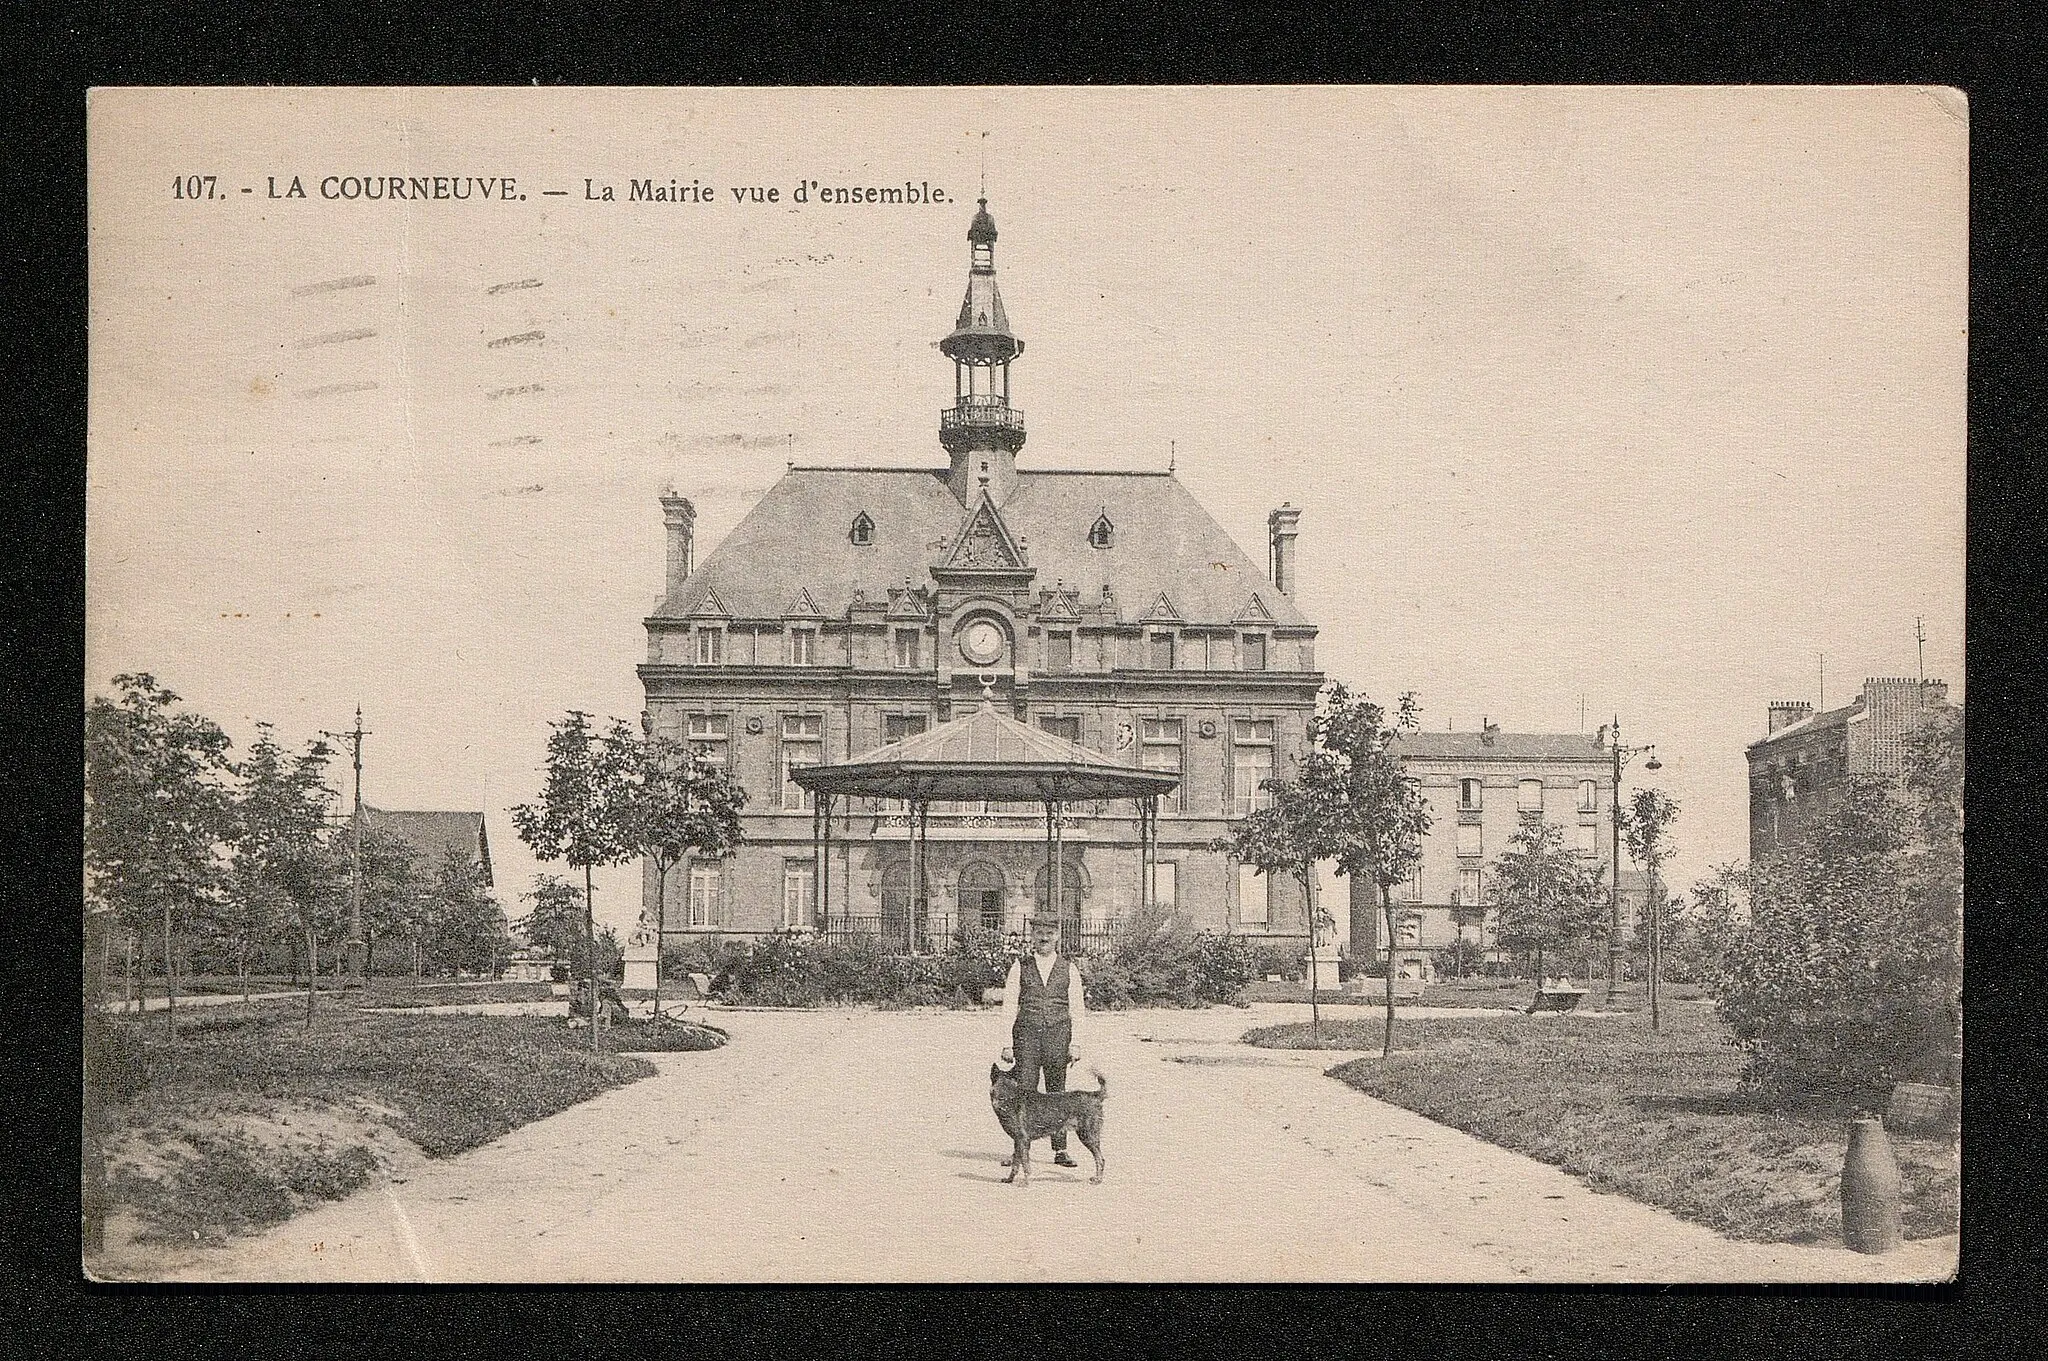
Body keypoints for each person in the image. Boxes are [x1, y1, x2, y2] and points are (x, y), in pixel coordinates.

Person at [998, 915, 1088, 1168]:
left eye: (1049, 932)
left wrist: (1076, 1043)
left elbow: (1077, 1009)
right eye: (1039, 932)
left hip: (1058, 1037)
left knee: (1057, 1093)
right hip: (1026, 1037)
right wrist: (1007, 1043)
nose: (1044, 937)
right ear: (1032, 936)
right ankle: (1020, 1150)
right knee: (1024, 1094)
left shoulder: (1069, 968)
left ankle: (1060, 1150)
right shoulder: (1020, 966)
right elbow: (1009, 1006)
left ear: (1058, 936)